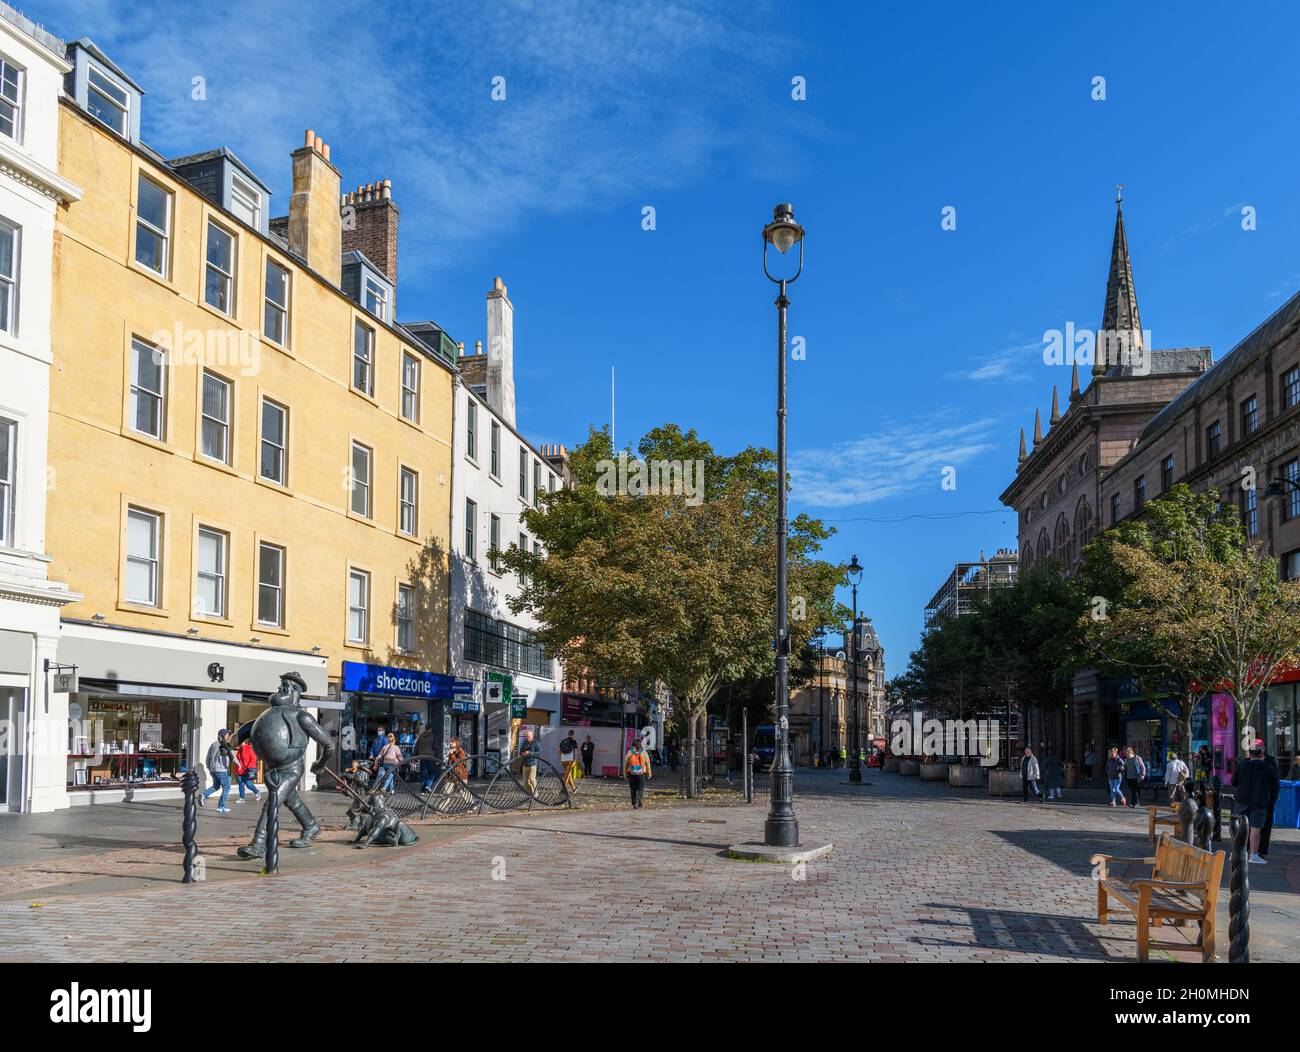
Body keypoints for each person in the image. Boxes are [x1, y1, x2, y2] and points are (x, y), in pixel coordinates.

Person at [1234, 740, 1280, 864]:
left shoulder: (1242, 765)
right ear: (1262, 752)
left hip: (1242, 800)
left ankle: (1237, 852)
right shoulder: (1269, 768)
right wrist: (1272, 799)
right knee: (1256, 829)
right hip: (1260, 801)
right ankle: (1253, 854)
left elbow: (1234, 782)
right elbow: (1275, 786)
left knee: (1240, 827)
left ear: (1250, 753)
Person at [200, 728, 234, 812]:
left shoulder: (213, 744)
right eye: (227, 734)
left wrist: (209, 767)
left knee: (216, 786)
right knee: (226, 787)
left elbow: (208, 757)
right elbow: (230, 757)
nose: (228, 736)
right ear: (223, 736)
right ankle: (221, 806)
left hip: (213, 770)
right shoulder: (225, 745)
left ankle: (203, 795)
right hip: (221, 770)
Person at [623, 736, 652, 808]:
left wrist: (625, 774)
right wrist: (649, 773)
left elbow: (626, 763)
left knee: (633, 789)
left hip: (632, 774)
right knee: (641, 787)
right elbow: (648, 764)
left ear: (632, 744)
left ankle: (634, 803)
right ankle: (639, 797)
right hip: (641, 774)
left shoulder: (630, 752)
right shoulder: (644, 752)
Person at [233, 737, 261, 802]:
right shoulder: (240, 749)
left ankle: (257, 792)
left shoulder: (249, 748)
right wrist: (236, 769)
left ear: (243, 741)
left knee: (248, 784)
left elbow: (253, 758)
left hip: (248, 769)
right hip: (241, 770)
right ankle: (242, 798)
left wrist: (249, 767)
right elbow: (238, 760)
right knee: (241, 783)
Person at [414, 725, 438, 791]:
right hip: (430, 757)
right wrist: (437, 757)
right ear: (431, 729)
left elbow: (416, 747)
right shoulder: (433, 736)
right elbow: (435, 747)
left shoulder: (420, 736)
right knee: (433, 772)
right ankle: (428, 785)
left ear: (425, 728)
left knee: (423, 773)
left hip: (422, 757)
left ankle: (422, 789)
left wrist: (414, 757)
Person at [519, 728, 539, 795]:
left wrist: (530, 753)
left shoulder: (536, 743)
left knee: (532, 779)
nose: (527, 738)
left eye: (529, 737)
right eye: (526, 737)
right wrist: (522, 753)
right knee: (525, 782)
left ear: (532, 736)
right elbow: (520, 751)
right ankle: (530, 793)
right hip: (525, 764)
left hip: (532, 764)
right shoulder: (524, 743)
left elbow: (538, 753)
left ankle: (535, 793)